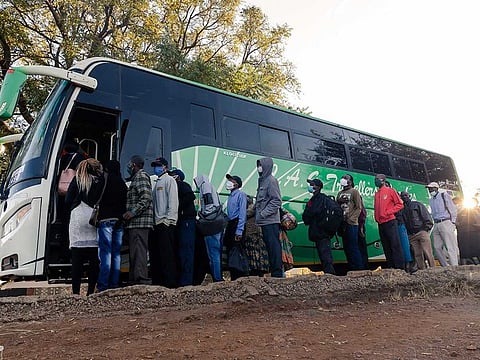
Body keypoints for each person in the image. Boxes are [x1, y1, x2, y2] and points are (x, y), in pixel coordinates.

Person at [65, 158, 104, 295]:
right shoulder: (99, 181)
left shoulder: (78, 180)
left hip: (77, 217)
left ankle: (75, 292)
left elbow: (68, 199)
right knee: (94, 260)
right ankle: (90, 291)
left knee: (77, 261)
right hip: (93, 218)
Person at [96, 160, 128, 292]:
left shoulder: (104, 181)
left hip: (106, 220)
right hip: (119, 222)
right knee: (116, 254)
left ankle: (103, 285)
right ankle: (114, 284)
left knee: (105, 253)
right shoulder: (122, 183)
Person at [122, 155, 154, 285]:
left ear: (134, 165)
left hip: (139, 222)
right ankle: (135, 278)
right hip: (135, 222)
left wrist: (132, 212)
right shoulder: (136, 178)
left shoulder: (141, 176)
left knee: (139, 251)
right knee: (135, 251)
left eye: (130, 164)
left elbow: (146, 198)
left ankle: (141, 279)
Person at [150, 157, 179, 288]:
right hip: (157, 224)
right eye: (155, 165)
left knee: (167, 255)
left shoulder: (169, 180)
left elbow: (173, 202)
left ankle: (170, 283)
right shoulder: (157, 183)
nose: (156, 168)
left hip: (165, 223)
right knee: (158, 255)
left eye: (159, 165)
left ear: (165, 167)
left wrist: (169, 221)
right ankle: (160, 282)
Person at [255, 157, 283, 278]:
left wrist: (262, 214)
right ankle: (273, 273)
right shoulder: (262, 181)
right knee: (269, 248)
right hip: (263, 222)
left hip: (270, 221)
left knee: (274, 247)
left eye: (260, 165)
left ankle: (277, 274)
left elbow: (276, 201)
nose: (259, 168)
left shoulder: (271, 181)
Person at [193, 174, 225, 282]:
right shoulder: (211, 186)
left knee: (213, 253)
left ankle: (217, 278)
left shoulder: (205, 186)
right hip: (217, 224)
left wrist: (203, 216)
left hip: (211, 224)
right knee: (216, 252)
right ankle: (218, 276)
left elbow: (208, 203)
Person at [169, 168, 197, 287]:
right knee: (181, 252)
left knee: (186, 252)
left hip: (186, 221)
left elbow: (190, 196)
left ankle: (186, 282)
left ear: (178, 177)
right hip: (182, 222)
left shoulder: (182, 185)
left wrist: (177, 205)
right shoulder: (175, 186)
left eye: (172, 175)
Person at [302, 178, 336, 275]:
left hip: (322, 232)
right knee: (322, 255)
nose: (311, 186)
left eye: (313, 184)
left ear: (318, 187)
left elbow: (312, 212)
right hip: (316, 232)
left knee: (325, 255)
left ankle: (330, 275)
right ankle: (328, 274)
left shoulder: (322, 199)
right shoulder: (313, 199)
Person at [373, 174, 405, 270]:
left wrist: (388, 212)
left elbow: (400, 204)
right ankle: (391, 267)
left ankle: (400, 267)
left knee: (395, 244)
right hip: (381, 223)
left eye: (377, 179)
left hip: (390, 221)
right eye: (375, 179)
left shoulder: (390, 191)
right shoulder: (377, 193)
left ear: (383, 180)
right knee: (386, 246)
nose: (375, 181)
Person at [400, 191, 435, 270]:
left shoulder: (417, 204)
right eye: (403, 196)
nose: (404, 197)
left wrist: (426, 229)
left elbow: (426, 216)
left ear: (409, 196)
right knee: (417, 254)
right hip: (411, 235)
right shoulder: (402, 209)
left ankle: (433, 269)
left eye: (406, 195)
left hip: (421, 232)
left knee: (428, 252)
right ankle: (421, 271)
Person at [426, 181, 458, 266]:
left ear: (436, 188)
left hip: (446, 222)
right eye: (429, 189)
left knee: (450, 246)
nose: (430, 190)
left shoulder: (444, 195)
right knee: (436, 247)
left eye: (431, 188)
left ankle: (454, 266)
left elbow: (452, 209)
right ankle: (445, 266)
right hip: (436, 223)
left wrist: (452, 223)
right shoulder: (431, 200)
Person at [336, 174, 365, 270]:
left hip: (352, 224)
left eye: (346, 178)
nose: (343, 179)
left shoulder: (354, 192)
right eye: (342, 177)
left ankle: (358, 268)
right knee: (346, 247)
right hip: (342, 223)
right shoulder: (340, 193)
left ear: (350, 182)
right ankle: (351, 267)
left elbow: (358, 207)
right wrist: (338, 201)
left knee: (353, 247)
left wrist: (352, 219)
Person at [224, 174, 248, 280]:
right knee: (230, 250)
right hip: (230, 224)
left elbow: (242, 213)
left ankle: (240, 276)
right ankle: (234, 276)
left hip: (237, 224)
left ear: (237, 184)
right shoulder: (230, 196)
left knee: (237, 250)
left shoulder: (241, 195)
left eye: (231, 180)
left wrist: (239, 231)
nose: (229, 182)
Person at [243, 195, 270, 276]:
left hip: (252, 235)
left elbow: (247, 214)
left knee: (253, 258)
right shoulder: (256, 209)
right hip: (257, 235)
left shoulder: (249, 210)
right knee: (258, 258)